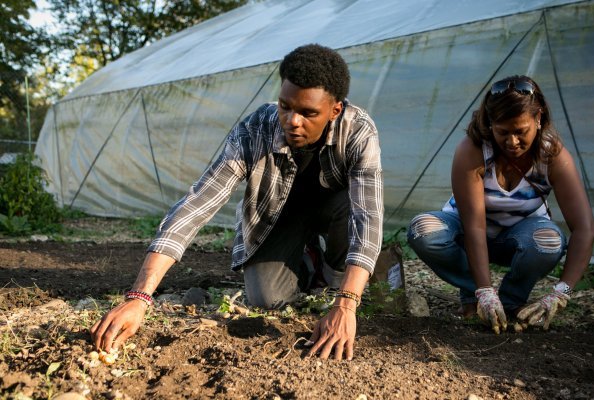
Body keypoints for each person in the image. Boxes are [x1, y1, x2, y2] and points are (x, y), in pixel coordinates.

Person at [91, 44, 383, 360]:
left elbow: (368, 217)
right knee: (266, 299)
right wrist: (139, 296)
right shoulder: (255, 130)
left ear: (335, 110)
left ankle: (336, 273)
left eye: (308, 113)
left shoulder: (358, 132)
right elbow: (198, 203)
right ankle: (309, 259)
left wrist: (345, 304)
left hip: (337, 212)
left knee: (351, 220)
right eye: (285, 106)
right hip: (279, 218)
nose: (292, 121)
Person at [406, 75, 594, 334]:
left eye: (521, 131)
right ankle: (477, 297)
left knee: (549, 241)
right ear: (490, 123)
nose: (512, 142)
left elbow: (584, 228)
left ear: (538, 118)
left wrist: (560, 293)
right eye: (503, 132)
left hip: (519, 237)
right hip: (468, 232)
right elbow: (474, 227)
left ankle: (510, 302)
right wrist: (483, 289)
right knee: (423, 229)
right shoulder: (473, 150)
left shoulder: (551, 155)